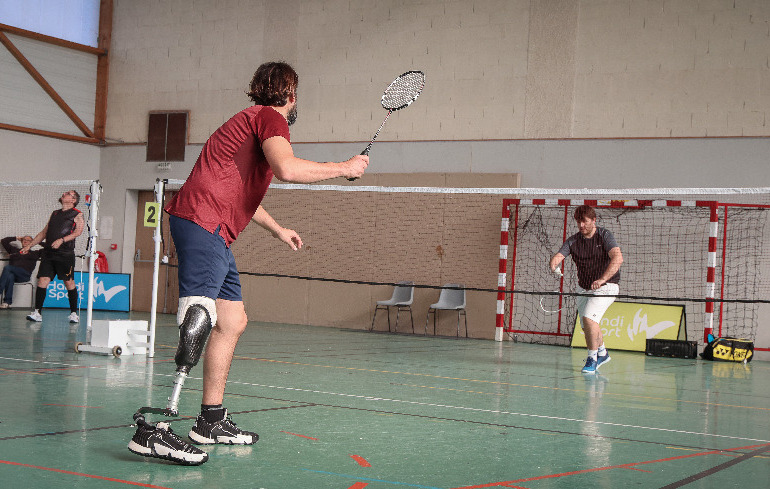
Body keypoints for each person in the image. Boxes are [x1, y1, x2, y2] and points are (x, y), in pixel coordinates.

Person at [127, 61, 369, 465]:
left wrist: (278, 229)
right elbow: (287, 168)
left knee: (232, 320)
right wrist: (344, 167)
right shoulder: (271, 117)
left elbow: (241, 195)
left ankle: (210, 421)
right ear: (289, 93)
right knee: (199, 314)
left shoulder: (248, 122)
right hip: (203, 221)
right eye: (296, 94)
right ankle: (157, 428)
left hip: (214, 229)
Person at [549, 205, 623, 374]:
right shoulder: (573, 241)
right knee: (587, 325)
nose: (581, 225)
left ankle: (592, 358)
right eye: (578, 222)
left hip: (607, 286)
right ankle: (603, 352)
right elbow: (558, 257)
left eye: (585, 221)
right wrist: (554, 264)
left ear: (594, 220)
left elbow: (618, 258)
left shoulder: (604, 236)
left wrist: (602, 279)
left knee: (589, 318)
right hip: (583, 288)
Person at [20, 190, 85, 323]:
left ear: (73, 200)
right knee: (42, 280)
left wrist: (62, 240)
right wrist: (29, 246)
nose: (64, 193)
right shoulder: (55, 213)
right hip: (48, 254)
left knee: (69, 282)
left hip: (65, 254)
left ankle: (74, 314)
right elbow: (44, 233)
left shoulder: (78, 214)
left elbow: (78, 232)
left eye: (68, 193)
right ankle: (37, 313)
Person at [0, 236, 41, 308]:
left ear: (31, 243)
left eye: (28, 240)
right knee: (10, 276)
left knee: (8, 268)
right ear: (21, 241)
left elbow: (48, 248)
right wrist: (15, 238)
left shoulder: (34, 253)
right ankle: (7, 302)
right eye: (24, 239)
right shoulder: (14, 250)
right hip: (14, 275)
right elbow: (3, 241)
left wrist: (37, 241)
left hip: (25, 275)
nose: (26, 241)